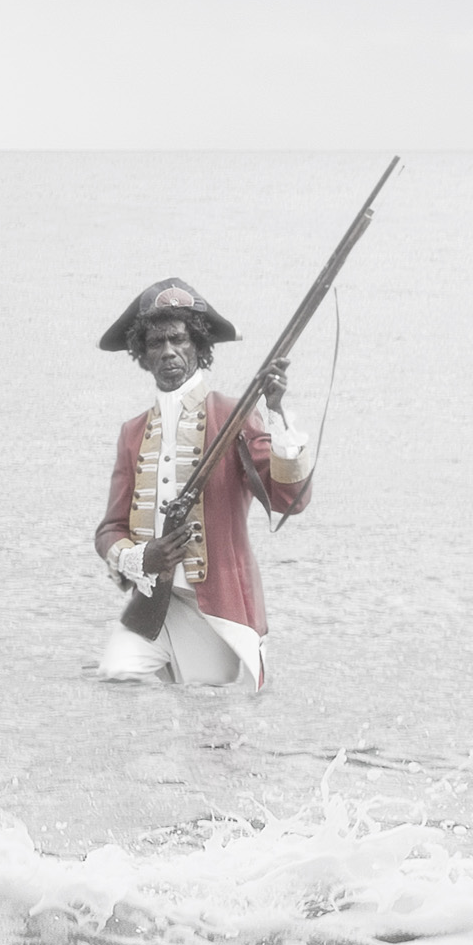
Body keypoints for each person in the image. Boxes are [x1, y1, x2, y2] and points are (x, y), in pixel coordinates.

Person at [90, 276, 314, 692]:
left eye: (178, 339)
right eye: (156, 343)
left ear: (198, 346)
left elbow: (289, 499)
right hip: (156, 605)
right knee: (117, 677)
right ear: (142, 353)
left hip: (219, 608)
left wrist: (277, 411)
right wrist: (141, 558)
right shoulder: (133, 432)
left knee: (211, 726)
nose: (168, 351)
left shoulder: (234, 414)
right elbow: (110, 530)